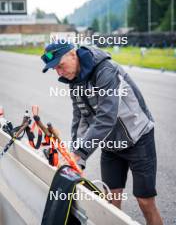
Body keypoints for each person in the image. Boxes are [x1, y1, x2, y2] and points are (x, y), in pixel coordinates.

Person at [41, 40, 163, 225]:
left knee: (145, 202)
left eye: (60, 66)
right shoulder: (73, 79)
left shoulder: (106, 70)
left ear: (73, 54)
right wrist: (77, 160)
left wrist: (79, 153)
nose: (59, 72)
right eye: (54, 69)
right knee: (110, 203)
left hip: (138, 138)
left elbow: (106, 117)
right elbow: (80, 118)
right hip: (110, 144)